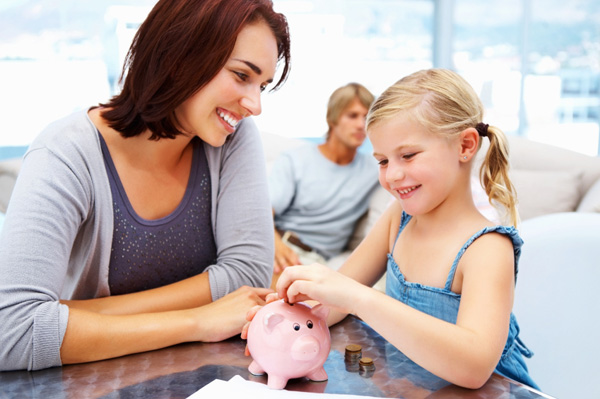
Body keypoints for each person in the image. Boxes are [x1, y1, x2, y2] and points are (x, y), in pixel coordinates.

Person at [0, 0, 291, 371]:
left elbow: (246, 277)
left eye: (262, 85)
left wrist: (78, 314)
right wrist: (198, 321)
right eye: (241, 75)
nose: (254, 104)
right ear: (181, 56)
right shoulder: (66, 151)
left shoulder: (233, 139)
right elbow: (12, 330)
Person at [267, 69, 539, 389]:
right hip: (413, 386)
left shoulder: (487, 248)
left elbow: (474, 367)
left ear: (465, 146)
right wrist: (285, 326)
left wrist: (359, 298)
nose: (392, 175)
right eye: (382, 161)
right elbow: (336, 300)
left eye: (407, 156)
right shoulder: (399, 219)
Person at [269, 83, 379, 272]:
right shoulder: (295, 160)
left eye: (367, 117)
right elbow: (263, 210)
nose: (362, 124)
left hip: (316, 262)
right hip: (280, 245)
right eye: (352, 116)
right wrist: (275, 246)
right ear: (332, 118)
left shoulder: (375, 169)